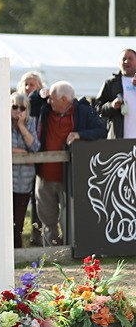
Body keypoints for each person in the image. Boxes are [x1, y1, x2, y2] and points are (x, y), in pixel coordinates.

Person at [34, 81, 106, 246]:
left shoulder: (84, 111)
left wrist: (80, 134)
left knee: (68, 219)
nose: (49, 101)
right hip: (45, 175)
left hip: (70, 176)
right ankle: (51, 254)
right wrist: (40, 94)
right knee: (47, 219)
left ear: (65, 99)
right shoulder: (46, 108)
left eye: (53, 98)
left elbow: (102, 130)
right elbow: (29, 103)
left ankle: (69, 252)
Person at [17, 71, 47, 244]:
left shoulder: (41, 104)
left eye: (33, 84)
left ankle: (38, 239)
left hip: (39, 158)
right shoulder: (14, 105)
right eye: (26, 84)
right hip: (21, 164)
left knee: (38, 203)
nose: (28, 88)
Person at [10, 91, 40, 249]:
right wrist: (22, 152)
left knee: (20, 218)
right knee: (5, 218)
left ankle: (17, 249)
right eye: (14, 107)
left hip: (25, 180)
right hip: (7, 179)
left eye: (22, 108)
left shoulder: (31, 123)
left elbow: (35, 147)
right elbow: (2, 148)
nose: (18, 111)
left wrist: (21, 126)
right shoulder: (3, 123)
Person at [94, 48, 136, 140]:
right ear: (119, 63)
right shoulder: (111, 83)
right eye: (123, 59)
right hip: (118, 140)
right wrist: (112, 105)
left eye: (130, 58)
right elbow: (97, 108)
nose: (126, 61)